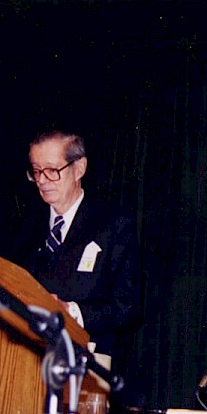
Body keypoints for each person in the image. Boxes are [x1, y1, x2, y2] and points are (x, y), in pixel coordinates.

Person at [13, 130, 141, 373]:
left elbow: (127, 307)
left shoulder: (113, 223)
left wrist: (71, 312)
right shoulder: (24, 227)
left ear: (79, 168)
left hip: (87, 366)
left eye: (52, 170)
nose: (41, 180)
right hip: (26, 363)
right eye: (36, 171)